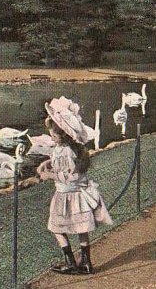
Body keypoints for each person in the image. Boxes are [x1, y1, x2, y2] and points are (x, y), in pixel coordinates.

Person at [37, 96, 113, 275]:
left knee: (55, 228)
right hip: (77, 195)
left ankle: (70, 261)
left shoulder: (66, 151)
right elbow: (64, 165)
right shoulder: (70, 150)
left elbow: (71, 176)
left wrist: (49, 175)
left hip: (66, 195)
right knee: (81, 228)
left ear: (62, 135)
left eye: (53, 134)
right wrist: (47, 163)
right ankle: (86, 262)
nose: (51, 136)